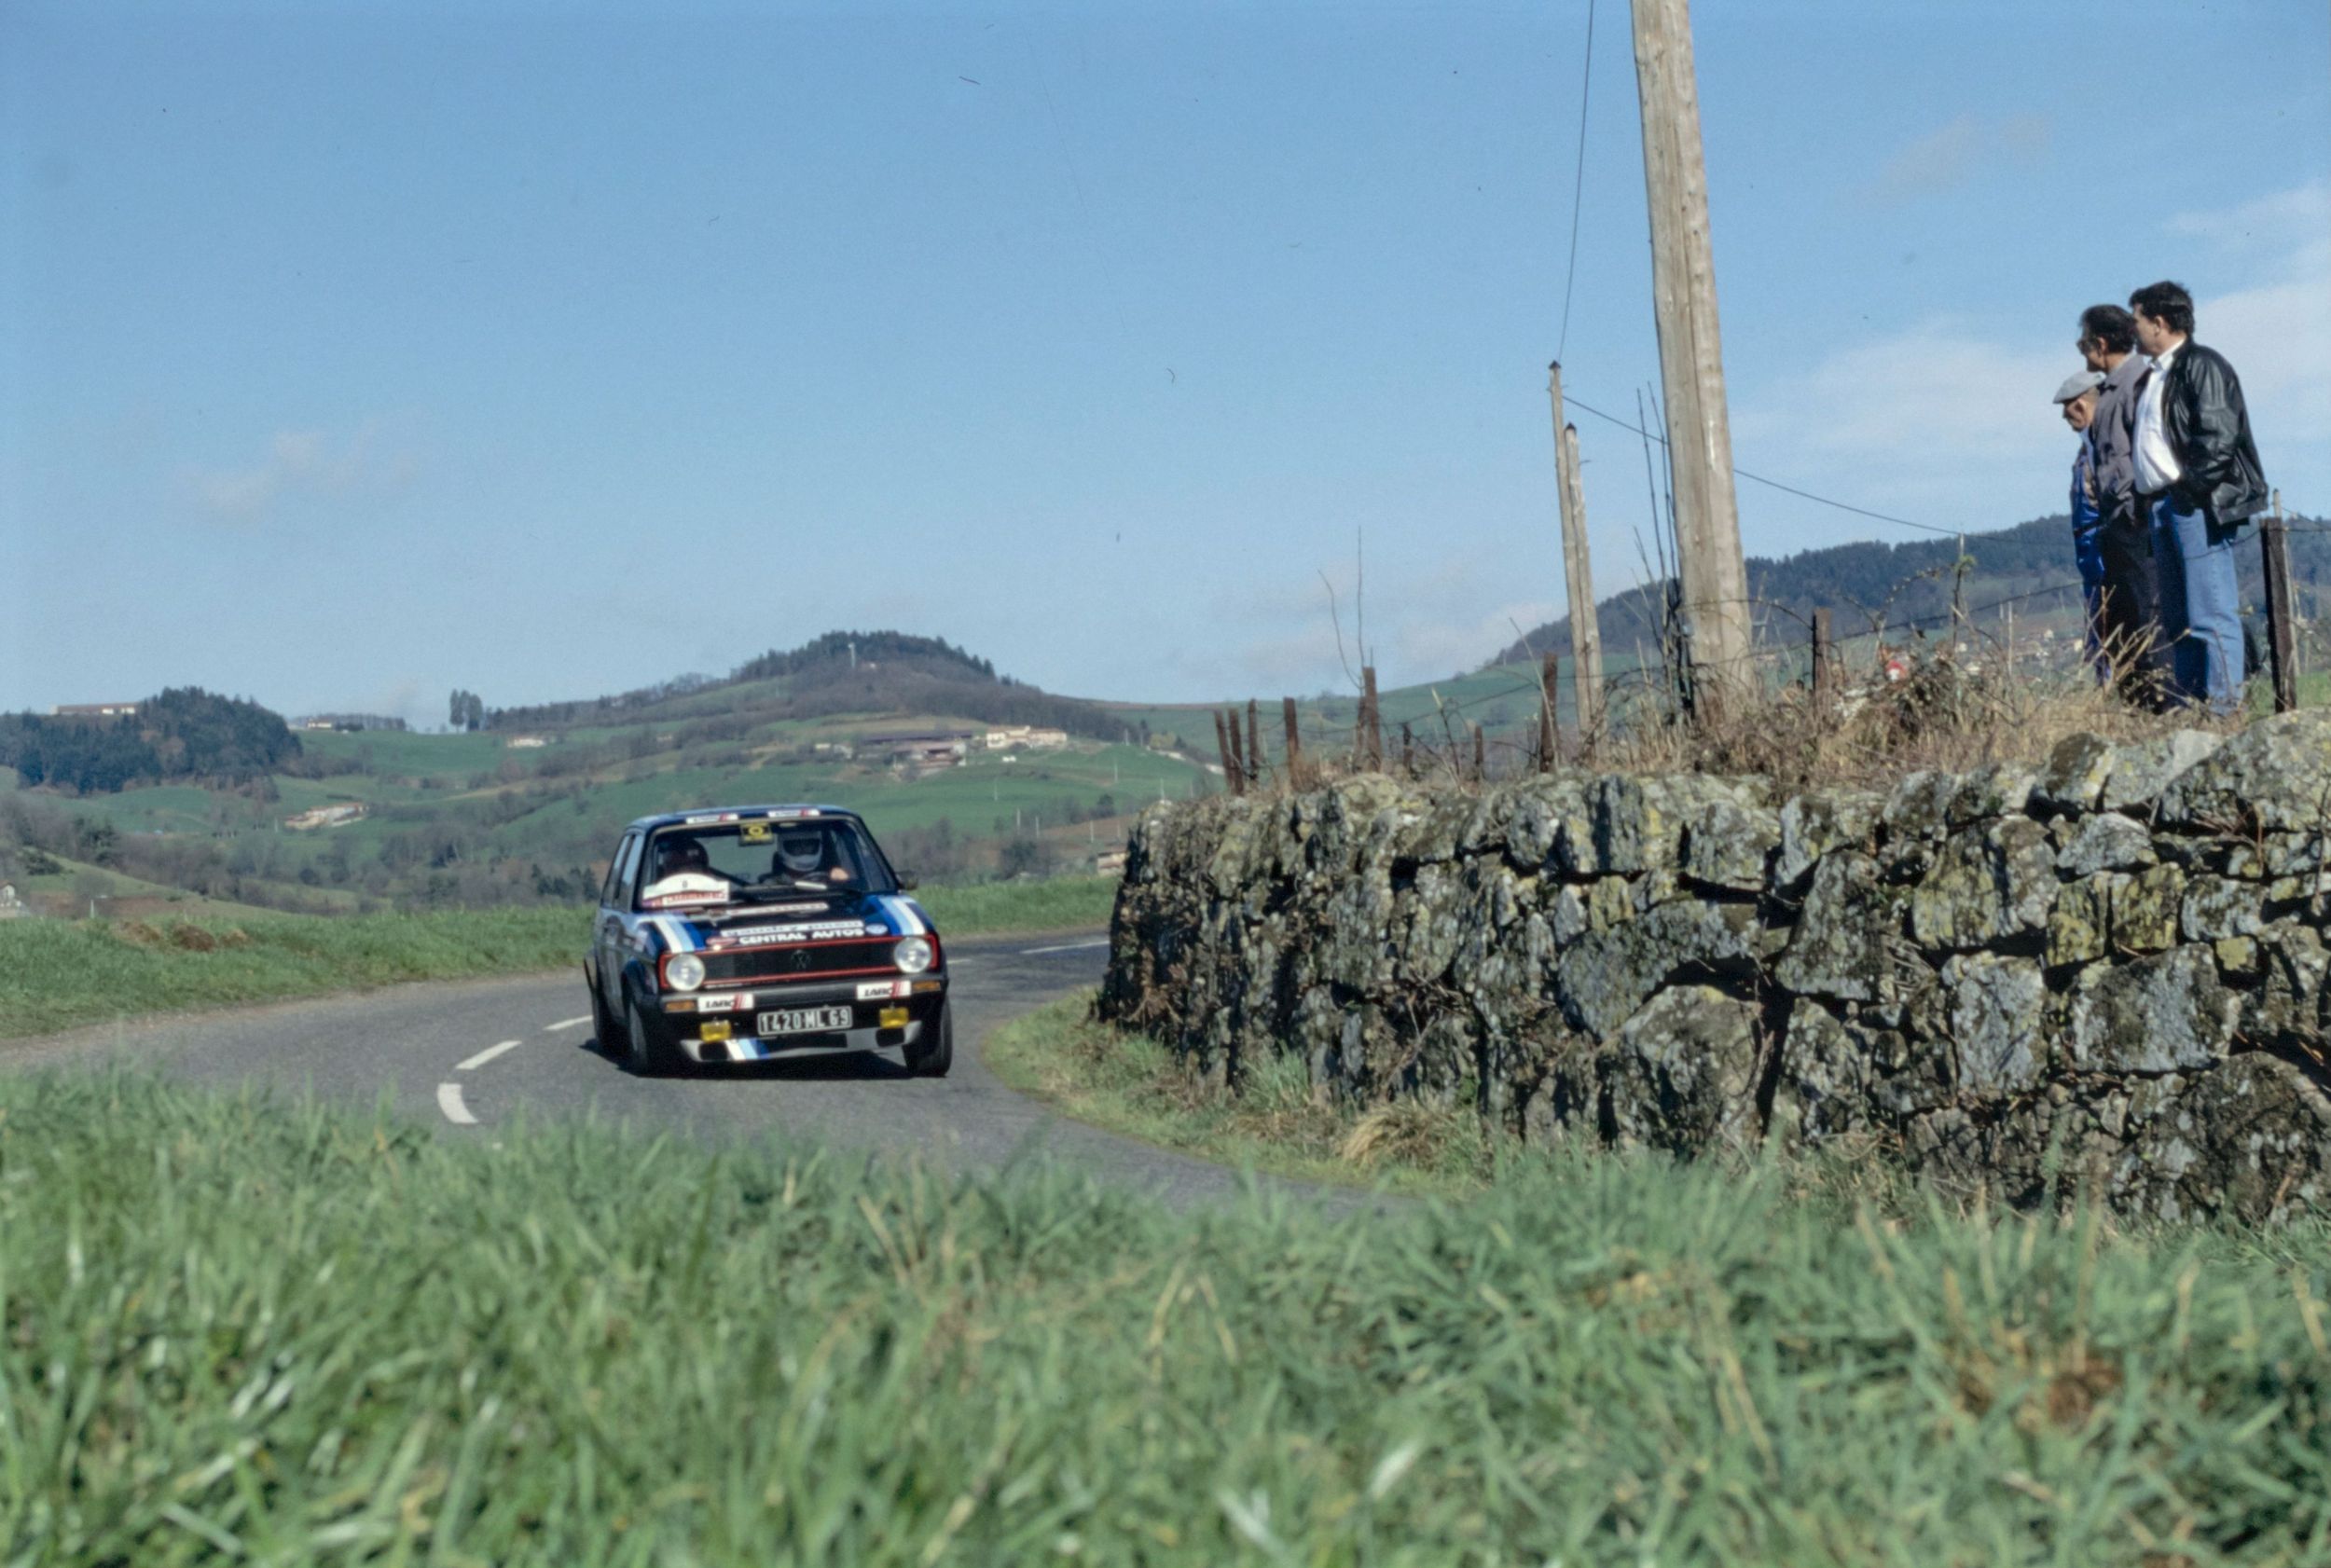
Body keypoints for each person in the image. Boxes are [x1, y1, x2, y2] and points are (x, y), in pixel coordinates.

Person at [2129, 280, 2268, 713]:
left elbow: (2219, 436)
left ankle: (2223, 708)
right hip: (2163, 505)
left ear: (2160, 322)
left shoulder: (2201, 365)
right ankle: (2189, 705)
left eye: (2137, 320)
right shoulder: (2156, 375)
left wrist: (2190, 493)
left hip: (2192, 504)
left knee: (2210, 610)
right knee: (2179, 619)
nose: (2132, 330)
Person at [2077, 304, 2165, 700]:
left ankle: (2157, 696)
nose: (2082, 352)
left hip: (2133, 523)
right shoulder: (2113, 389)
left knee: (2145, 614)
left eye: (2083, 342)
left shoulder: (2137, 384)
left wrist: (2132, 510)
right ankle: (2137, 700)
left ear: (2100, 342)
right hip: (2117, 524)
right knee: (2123, 621)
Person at [2052, 370, 2107, 675]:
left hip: (2102, 545)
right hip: (2088, 550)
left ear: (2082, 405)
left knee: (2108, 619)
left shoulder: (2103, 444)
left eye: (2067, 407)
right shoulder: (2085, 448)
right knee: (2097, 621)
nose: (2064, 415)